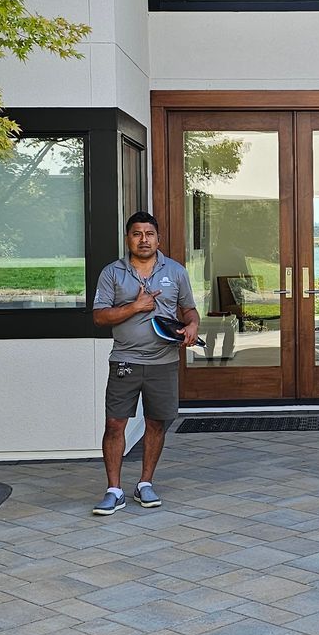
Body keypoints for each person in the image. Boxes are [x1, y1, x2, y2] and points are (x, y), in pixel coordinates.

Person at [91, 211, 198, 515]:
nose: (143, 239)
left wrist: (192, 327)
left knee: (157, 422)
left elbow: (189, 310)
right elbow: (99, 317)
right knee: (114, 424)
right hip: (125, 360)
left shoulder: (176, 272)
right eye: (136, 234)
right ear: (128, 239)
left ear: (158, 238)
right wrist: (135, 306)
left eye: (149, 234)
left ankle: (145, 483)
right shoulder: (112, 273)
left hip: (163, 362)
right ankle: (114, 490)